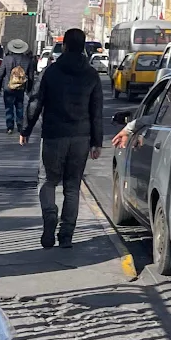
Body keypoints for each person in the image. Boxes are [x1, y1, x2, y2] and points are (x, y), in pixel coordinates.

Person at [21, 27, 102, 249]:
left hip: (53, 135)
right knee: (72, 187)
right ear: (83, 47)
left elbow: (35, 102)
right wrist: (97, 142)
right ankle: (66, 235)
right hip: (81, 138)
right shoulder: (91, 74)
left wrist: (25, 130)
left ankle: (49, 215)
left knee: (47, 181)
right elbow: (96, 111)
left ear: (64, 46)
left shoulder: (51, 72)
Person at [0, 38, 34, 135]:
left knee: (9, 107)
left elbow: (1, 73)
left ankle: (10, 127)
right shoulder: (28, 60)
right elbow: (31, 77)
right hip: (21, 87)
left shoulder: (7, 59)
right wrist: (29, 88)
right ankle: (20, 125)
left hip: (8, 87)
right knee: (20, 106)